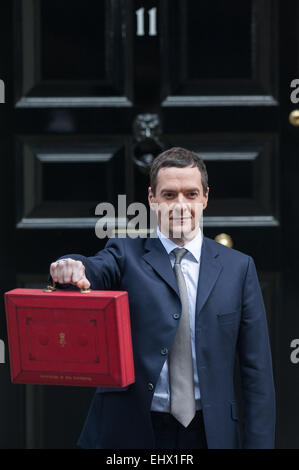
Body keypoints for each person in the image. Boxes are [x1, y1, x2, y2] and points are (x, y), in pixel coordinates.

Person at [50, 147, 276, 449]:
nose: (180, 205)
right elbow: (93, 268)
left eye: (191, 194)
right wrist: (72, 266)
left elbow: (257, 373)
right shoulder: (125, 253)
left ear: (205, 197)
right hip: (133, 430)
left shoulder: (239, 268)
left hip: (209, 434)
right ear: (152, 199)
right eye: (169, 195)